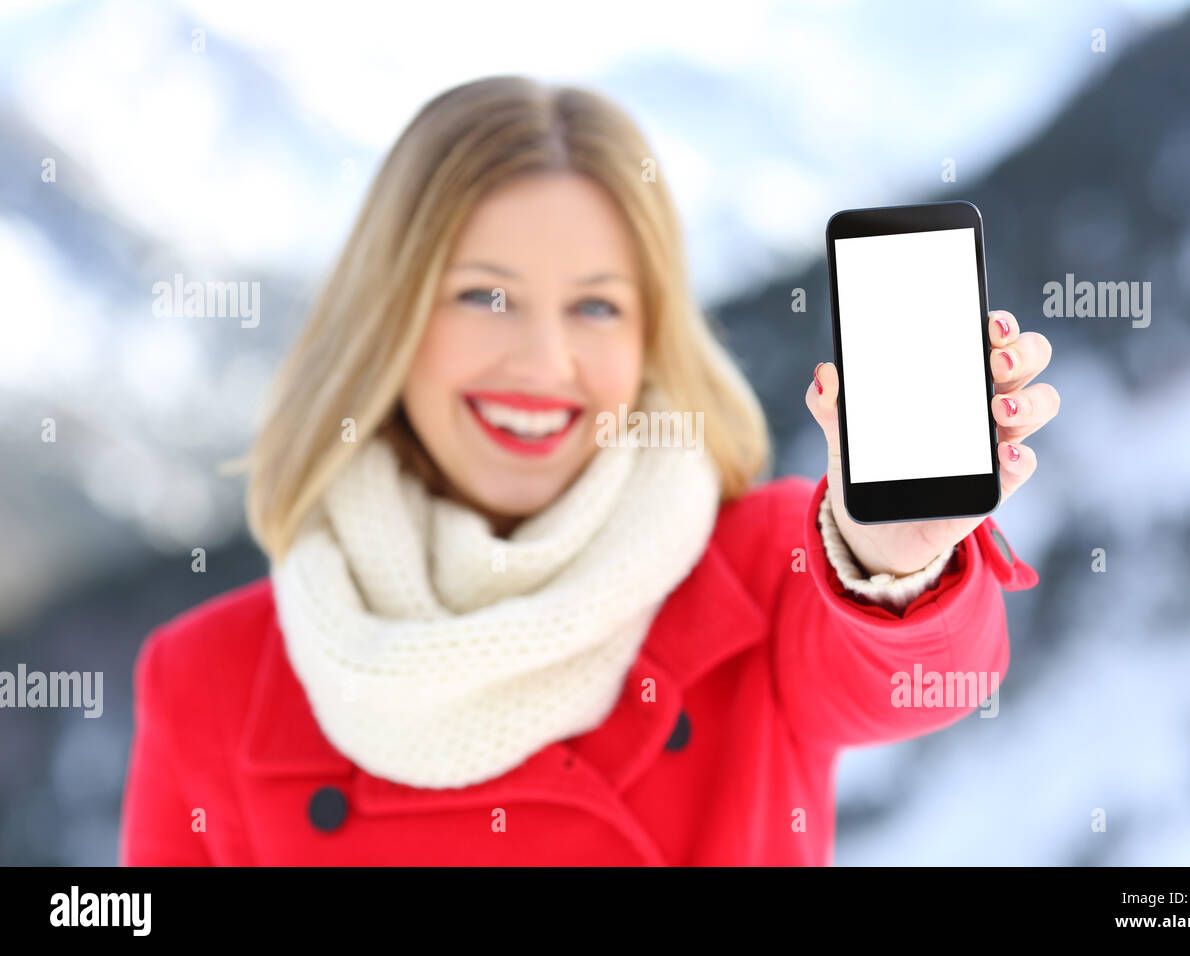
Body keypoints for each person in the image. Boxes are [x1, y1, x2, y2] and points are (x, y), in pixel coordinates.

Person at [119, 75, 1057, 866]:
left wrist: (893, 561)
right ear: (390, 316)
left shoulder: (768, 569)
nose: (543, 360)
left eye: (597, 308)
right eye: (486, 296)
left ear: (652, 333)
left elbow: (918, 682)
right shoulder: (205, 680)